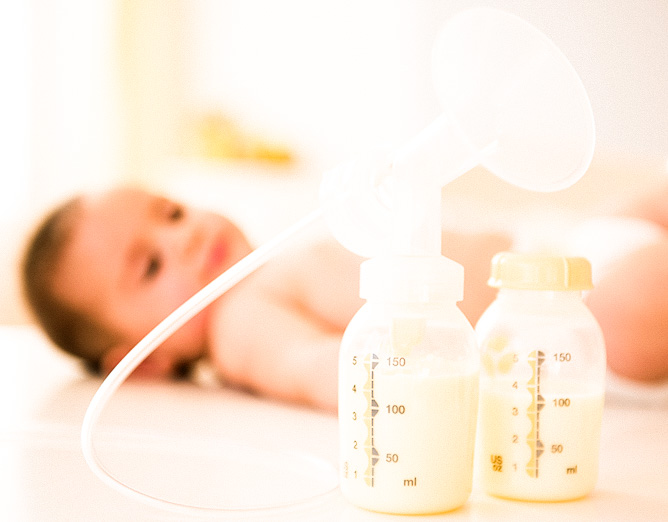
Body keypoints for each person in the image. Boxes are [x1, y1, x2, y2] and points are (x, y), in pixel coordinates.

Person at [20, 185, 668, 412]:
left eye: (171, 211)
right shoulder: (241, 326)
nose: (185, 236)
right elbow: (321, 368)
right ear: (143, 357)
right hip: (557, 327)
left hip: (567, 247)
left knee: (644, 203)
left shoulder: (271, 261)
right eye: (151, 264)